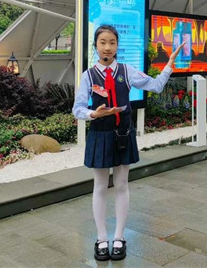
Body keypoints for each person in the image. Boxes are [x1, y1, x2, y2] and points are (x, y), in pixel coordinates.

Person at [72, 25, 183, 261]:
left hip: (123, 134)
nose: (107, 47)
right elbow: (77, 108)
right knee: (100, 186)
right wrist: (93, 114)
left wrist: (170, 63)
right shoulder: (88, 75)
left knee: (122, 184)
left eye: (112, 42)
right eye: (102, 42)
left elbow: (155, 86)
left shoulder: (126, 71)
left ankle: (119, 237)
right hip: (100, 134)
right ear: (95, 45)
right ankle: (102, 238)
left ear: (117, 46)